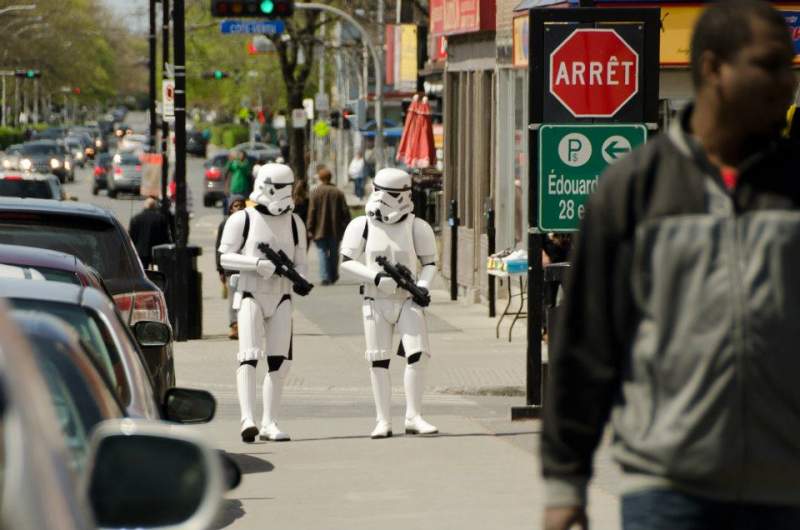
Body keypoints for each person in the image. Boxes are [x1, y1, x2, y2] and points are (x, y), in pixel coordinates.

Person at [542, 2, 800, 529]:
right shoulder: (635, 190)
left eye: (790, 66)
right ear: (712, 69)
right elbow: (587, 343)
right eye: (768, 65)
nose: (786, 81)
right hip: (667, 491)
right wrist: (566, 482)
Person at [340, 168, 439, 439]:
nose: (396, 201)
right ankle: (383, 419)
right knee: (378, 360)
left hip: (408, 299)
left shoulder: (417, 226)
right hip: (375, 299)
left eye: (402, 194)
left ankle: (413, 415)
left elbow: (429, 264)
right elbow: (347, 261)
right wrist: (374, 276)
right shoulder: (362, 225)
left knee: (418, 355)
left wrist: (422, 286)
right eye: (392, 194)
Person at [218, 163, 310, 443]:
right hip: (250, 294)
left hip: (282, 297)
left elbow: (302, 262)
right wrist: (257, 264)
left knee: (279, 362)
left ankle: (270, 420)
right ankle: (248, 418)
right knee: (248, 356)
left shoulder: (295, 223)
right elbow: (225, 257)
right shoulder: (242, 219)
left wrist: (298, 279)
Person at [306, 166, 351, 285]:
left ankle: (325, 276)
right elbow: (345, 212)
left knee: (322, 252)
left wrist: (309, 227)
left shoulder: (315, 192)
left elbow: (312, 211)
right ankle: (333, 274)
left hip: (319, 229)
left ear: (320, 179)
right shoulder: (338, 192)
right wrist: (347, 226)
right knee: (334, 252)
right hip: (335, 229)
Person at [215, 195, 247, 340]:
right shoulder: (225, 224)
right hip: (230, 267)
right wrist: (220, 269)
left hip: (246, 266)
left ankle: (245, 325)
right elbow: (219, 248)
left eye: (241, 205)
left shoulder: (249, 222)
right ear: (230, 208)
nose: (238, 208)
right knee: (234, 298)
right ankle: (234, 326)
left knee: (246, 298)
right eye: (235, 205)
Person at [128, 197, 171, 269]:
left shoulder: (135, 218)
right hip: (156, 251)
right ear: (154, 206)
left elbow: (131, 237)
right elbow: (165, 236)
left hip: (140, 252)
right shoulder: (160, 218)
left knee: (143, 271)